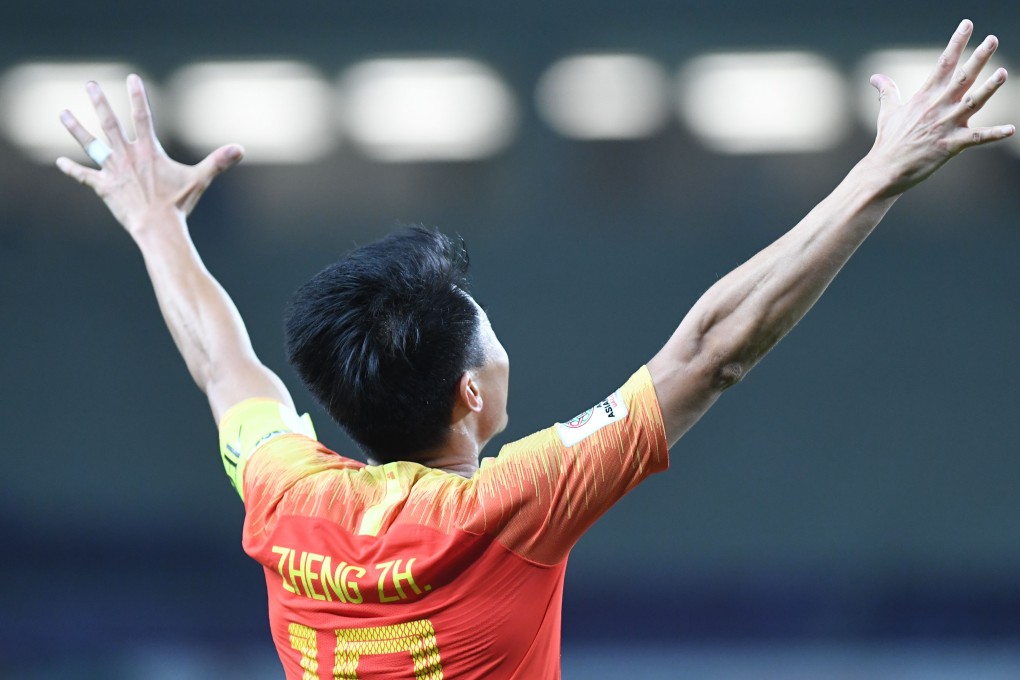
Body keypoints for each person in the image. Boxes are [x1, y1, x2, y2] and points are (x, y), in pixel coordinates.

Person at [57, 19, 1013, 680]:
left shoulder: (285, 494)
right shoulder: (505, 509)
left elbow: (225, 365)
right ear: (472, 394)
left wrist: (152, 225)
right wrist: (880, 175)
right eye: (492, 329)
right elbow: (712, 351)